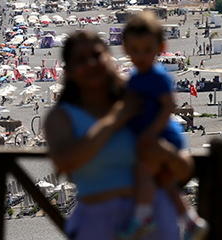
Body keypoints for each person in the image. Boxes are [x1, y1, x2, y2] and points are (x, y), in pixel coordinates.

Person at [44, 31, 194, 240]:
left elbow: (184, 168)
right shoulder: (61, 116)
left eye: (96, 56)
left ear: (109, 58)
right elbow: (64, 162)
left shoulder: (138, 100)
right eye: (80, 59)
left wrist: (166, 154)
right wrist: (114, 120)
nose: (90, 63)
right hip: (99, 221)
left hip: (155, 219)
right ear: (68, 70)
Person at [121, 12, 208, 239]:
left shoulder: (156, 77)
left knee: (143, 171)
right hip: (157, 134)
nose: (140, 56)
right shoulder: (135, 77)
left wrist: (150, 133)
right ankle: (191, 221)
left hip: (163, 135)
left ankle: (142, 217)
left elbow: (169, 105)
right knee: (165, 181)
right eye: (135, 50)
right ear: (126, 49)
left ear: (160, 47)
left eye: (146, 50)